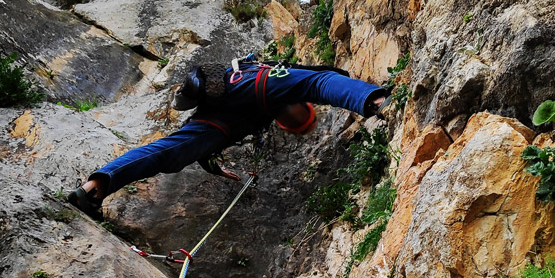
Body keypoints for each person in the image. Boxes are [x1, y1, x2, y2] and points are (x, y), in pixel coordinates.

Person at [67, 59, 388, 216]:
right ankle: (374, 100)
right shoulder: (280, 79)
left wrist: (214, 167)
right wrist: (349, 85)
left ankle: (95, 188)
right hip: (245, 86)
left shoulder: (259, 115)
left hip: (221, 116)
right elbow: (320, 79)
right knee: (320, 82)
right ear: (298, 106)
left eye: (298, 123)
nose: (296, 118)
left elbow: (202, 146)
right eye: (302, 118)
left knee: (171, 151)